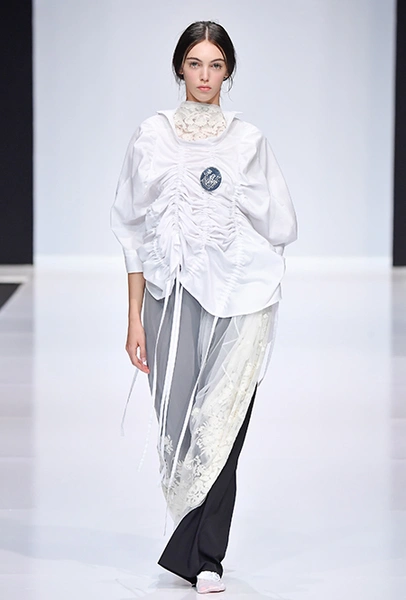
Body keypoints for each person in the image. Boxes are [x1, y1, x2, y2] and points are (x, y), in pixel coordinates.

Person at [110, 20, 298, 595]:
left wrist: (238, 214)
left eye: (216, 65)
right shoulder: (151, 136)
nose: (205, 76)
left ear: (228, 71)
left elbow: (281, 224)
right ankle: (187, 542)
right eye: (195, 64)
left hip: (236, 298)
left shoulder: (247, 140)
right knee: (177, 425)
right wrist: (133, 315)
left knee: (222, 418)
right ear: (179, 68)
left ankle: (207, 556)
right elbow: (130, 228)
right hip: (167, 296)